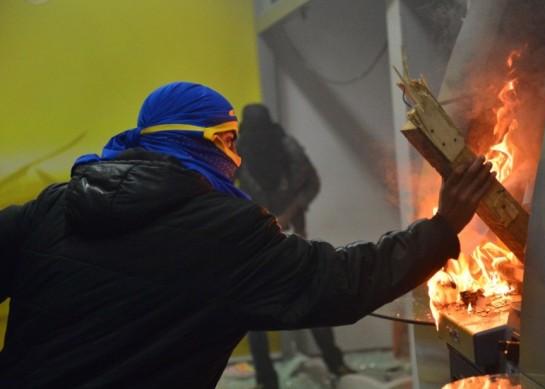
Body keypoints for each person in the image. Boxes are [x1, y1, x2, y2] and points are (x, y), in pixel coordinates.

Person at [0, 81, 494, 389]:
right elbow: (342, 282)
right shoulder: (228, 236)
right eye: (231, 140)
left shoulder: (55, 204)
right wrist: (442, 227)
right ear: (221, 143)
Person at [235, 104, 353, 389]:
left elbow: (312, 183)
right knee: (252, 312)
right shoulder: (237, 153)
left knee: (311, 297)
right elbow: (226, 191)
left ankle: (335, 363)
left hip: (292, 234)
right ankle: (266, 380)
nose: (259, 138)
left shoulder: (288, 148)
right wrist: (259, 218)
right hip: (254, 240)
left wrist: (289, 213)